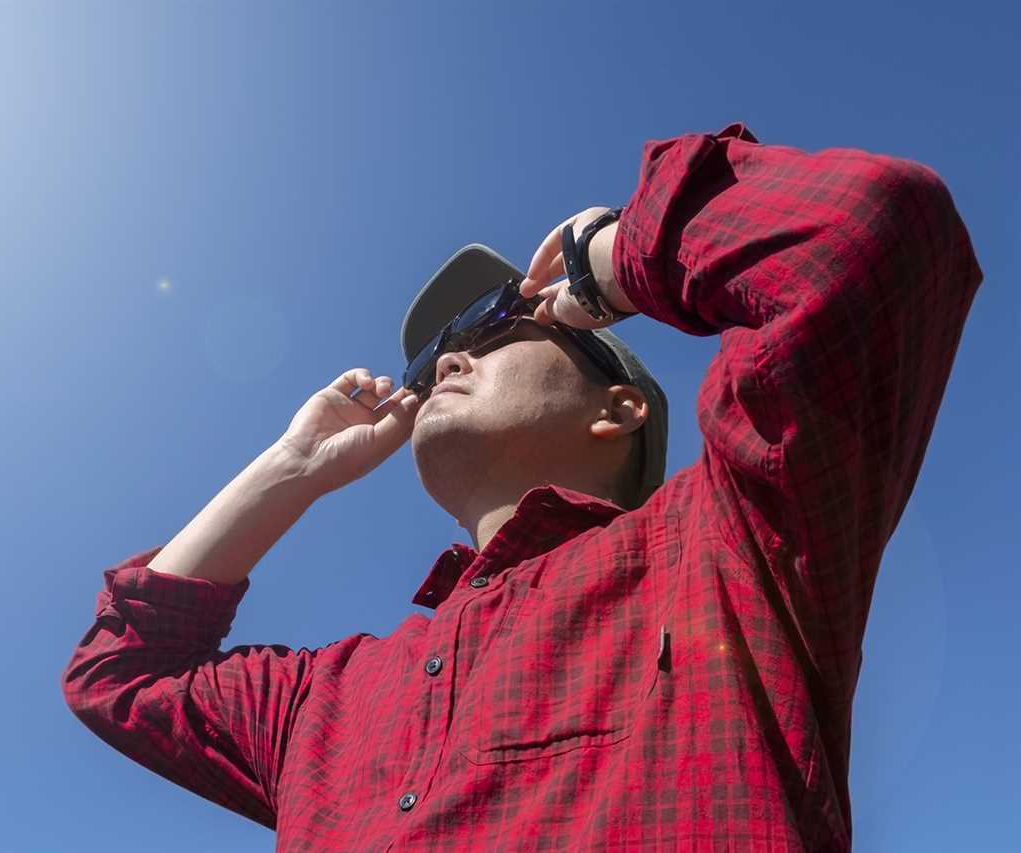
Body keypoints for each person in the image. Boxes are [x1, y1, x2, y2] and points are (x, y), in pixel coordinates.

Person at [61, 123, 982, 851]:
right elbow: (118, 673)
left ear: (617, 408)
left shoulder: (732, 546)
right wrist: (289, 473)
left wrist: (612, 262)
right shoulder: (328, 701)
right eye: (440, 354)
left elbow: (872, 232)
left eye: (504, 326)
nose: (453, 355)